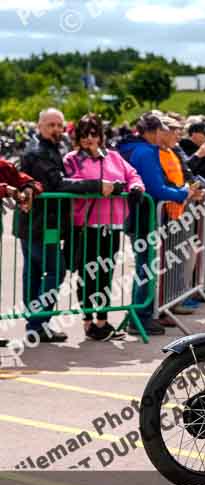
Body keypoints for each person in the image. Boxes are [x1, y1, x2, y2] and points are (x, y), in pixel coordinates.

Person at [16, 108, 111, 343]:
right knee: (53, 271)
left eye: (59, 125)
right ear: (39, 126)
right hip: (40, 224)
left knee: (35, 273)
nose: (56, 129)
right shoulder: (38, 152)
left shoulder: (51, 148)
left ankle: (36, 324)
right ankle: (37, 322)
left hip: (41, 223)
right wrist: (96, 185)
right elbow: (57, 184)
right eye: (51, 125)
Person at [118, 112, 203, 336]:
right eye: (161, 130)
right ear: (153, 132)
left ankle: (140, 316)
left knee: (145, 267)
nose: (164, 134)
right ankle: (140, 318)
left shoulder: (139, 149)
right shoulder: (146, 152)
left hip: (142, 215)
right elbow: (155, 188)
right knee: (146, 269)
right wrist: (182, 192)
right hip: (144, 216)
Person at [63, 113, 145, 341]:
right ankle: (88, 321)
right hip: (86, 226)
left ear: (100, 136)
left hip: (112, 225)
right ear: (78, 137)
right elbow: (69, 183)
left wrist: (136, 187)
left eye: (94, 133)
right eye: (84, 134)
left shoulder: (114, 157)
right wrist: (98, 187)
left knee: (105, 274)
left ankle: (102, 320)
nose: (90, 139)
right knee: (87, 274)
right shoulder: (72, 158)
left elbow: (132, 174)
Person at [0, 158, 43, 347]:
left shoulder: (3, 165)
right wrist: (5, 190)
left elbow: (29, 181)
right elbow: (8, 188)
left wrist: (29, 190)